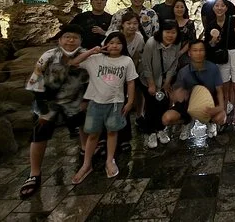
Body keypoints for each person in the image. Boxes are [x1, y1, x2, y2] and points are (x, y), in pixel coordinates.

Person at [19, 25, 89, 199]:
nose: (71, 40)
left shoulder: (87, 55)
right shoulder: (48, 56)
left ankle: (85, 152)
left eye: (75, 37)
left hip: (75, 100)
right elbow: (36, 80)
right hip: (49, 101)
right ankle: (34, 173)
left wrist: (87, 100)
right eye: (67, 37)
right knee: (39, 134)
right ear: (60, 40)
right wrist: (42, 107)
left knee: (85, 126)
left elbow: (92, 79)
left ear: (80, 40)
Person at [70, 32, 137, 184]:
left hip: (116, 103)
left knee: (112, 132)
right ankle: (86, 164)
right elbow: (73, 63)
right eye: (111, 42)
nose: (114, 46)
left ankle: (110, 160)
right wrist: (91, 51)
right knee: (93, 134)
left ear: (123, 46)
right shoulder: (96, 59)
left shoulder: (126, 61)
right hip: (96, 102)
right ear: (106, 44)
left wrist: (130, 101)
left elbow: (131, 82)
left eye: (118, 43)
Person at [162, 40, 226, 139]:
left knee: (221, 118)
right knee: (166, 119)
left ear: (205, 52)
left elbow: (219, 90)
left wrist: (220, 107)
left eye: (201, 50)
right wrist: (177, 94)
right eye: (195, 50)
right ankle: (187, 122)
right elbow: (176, 94)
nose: (198, 53)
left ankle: (211, 123)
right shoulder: (183, 72)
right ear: (189, 53)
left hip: (209, 102)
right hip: (189, 104)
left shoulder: (213, 68)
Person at [204, 0, 235, 131]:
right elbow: (209, 45)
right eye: (216, 5)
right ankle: (223, 119)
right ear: (213, 8)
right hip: (221, 58)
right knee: (223, 91)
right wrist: (213, 41)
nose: (219, 8)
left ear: (226, 8)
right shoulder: (211, 24)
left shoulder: (233, 20)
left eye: (222, 5)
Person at [140, 20, 181, 147]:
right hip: (148, 79)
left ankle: (160, 129)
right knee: (151, 105)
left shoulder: (176, 44)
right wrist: (151, 84)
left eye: (173, 32)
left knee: (163, 104)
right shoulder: (151, 43)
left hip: (164, 80)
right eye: (167, 32)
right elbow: (146, 65)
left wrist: (167, 82)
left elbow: (174, 64)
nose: (170, 35)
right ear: (161, 32)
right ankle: (150, 132)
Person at [118, 12, 145, 151]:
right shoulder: (115, 36)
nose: (132, 26)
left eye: (135, 23)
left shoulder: (139, 38)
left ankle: (126, 135)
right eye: (128, 23)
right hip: (114, 71)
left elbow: (135, 57)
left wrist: (130, 75)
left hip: (130, 69)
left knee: (136, 93)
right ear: (122, 24)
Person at [174, 0, 196, 68]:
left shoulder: (190, 23)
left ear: (185, 9)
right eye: (177, 7)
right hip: (170, 52)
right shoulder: (169, 23)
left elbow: (192, 40)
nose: (179, 9)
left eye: (182, 7)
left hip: (186, 53)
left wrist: (180, 52)